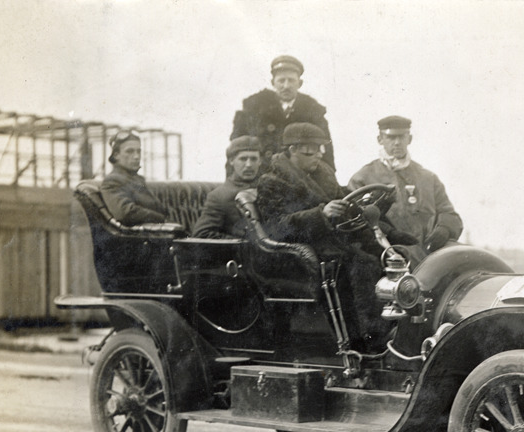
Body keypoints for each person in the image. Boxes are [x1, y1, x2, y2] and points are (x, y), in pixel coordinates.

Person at [256, 122, 384, 349]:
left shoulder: (324, 175)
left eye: (319, 150)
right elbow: (276, 227)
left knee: (386, 255)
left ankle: (389, 329)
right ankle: (363, 339)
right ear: (293, 150)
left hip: (333, 244)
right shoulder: (271, 183)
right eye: (310, 151)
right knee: (360, 264)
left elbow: (347, 202)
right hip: (299, 255)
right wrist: (320, 215)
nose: (318, 155)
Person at [348, 115, 463, 265]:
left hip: (428, 254)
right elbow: (355, 222)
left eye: (401, 137)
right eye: (391, 137)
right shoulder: (362, 178)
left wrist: (444, 229)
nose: (397, 142)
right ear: (380, 139)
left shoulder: (428, 178)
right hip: (386, 257)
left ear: (410, 139)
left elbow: (449, 214)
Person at [230, 55, 335, 169]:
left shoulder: (314, 113)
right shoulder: (252, 110)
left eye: (291, 80)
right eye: (281, 80)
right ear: (273, 82)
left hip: (299, 176)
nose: (286, 86)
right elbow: (235, 152)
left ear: (300, 83)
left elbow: (326, 157)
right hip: (260, 175)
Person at [193, 136, 263, 239]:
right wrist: (241, 242)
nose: (249, 164)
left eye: (253, 159)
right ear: (231, 161)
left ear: (260, 161)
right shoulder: (219, 196)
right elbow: (201, 233)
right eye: (243, 159)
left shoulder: (268, 188)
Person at [100, 131, 168, 226]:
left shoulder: (137, 179)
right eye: (129, 151)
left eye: (138, 151)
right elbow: (125, 213)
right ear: (116, 155)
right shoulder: (113, 181)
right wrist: (162, 219)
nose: (136, 156)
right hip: (140, 233)